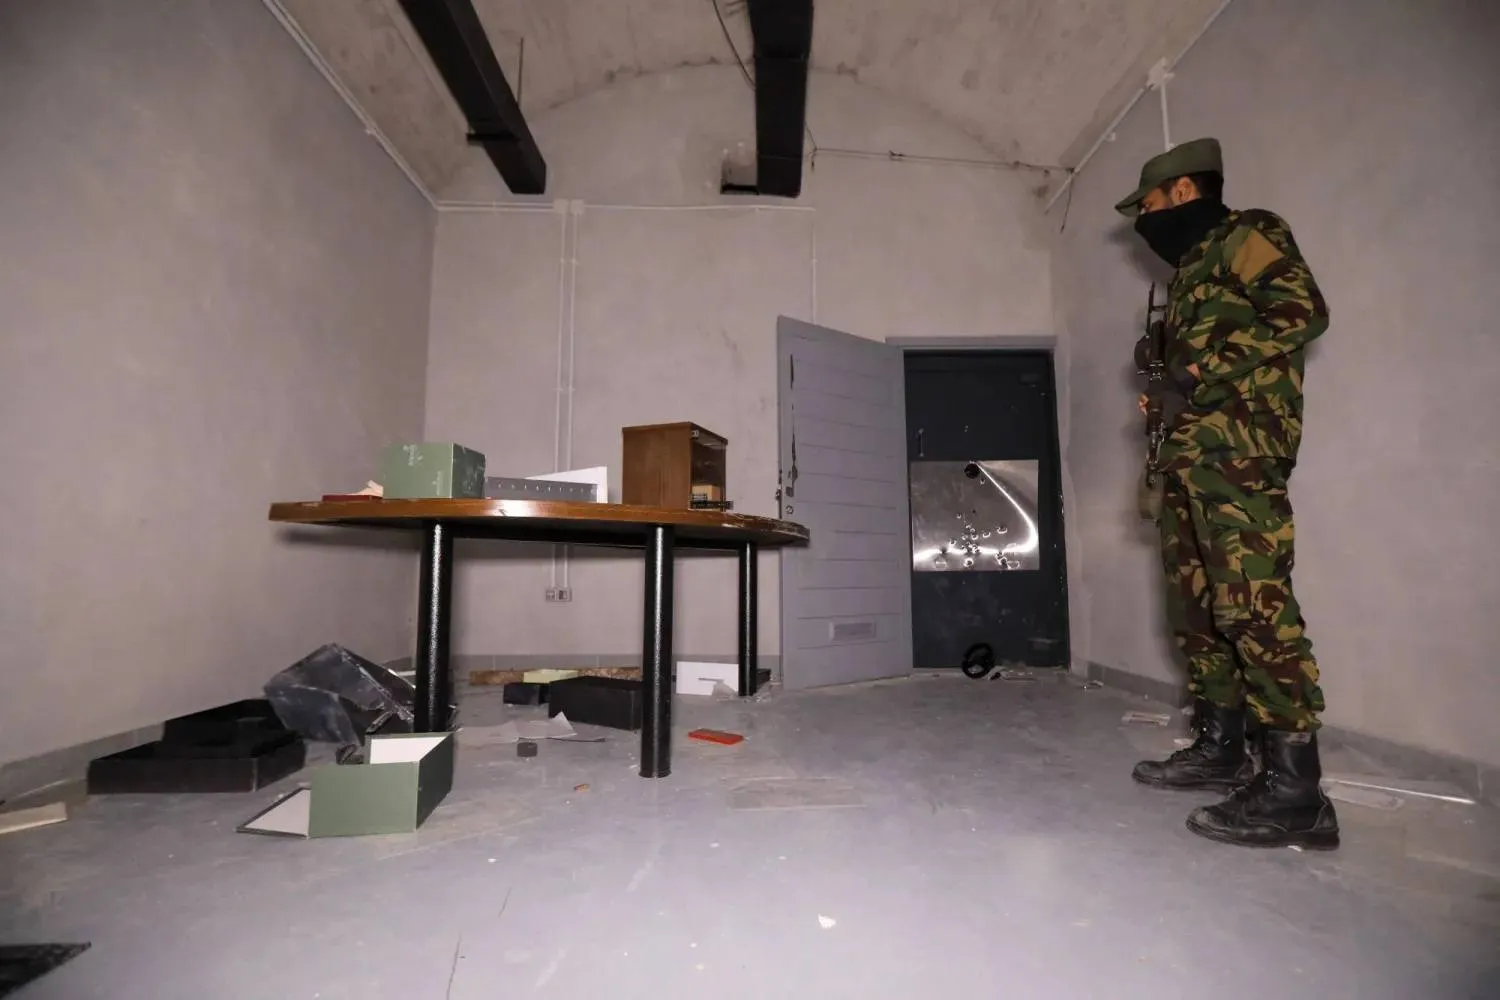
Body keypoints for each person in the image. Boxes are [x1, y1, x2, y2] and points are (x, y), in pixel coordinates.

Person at [1114, 137, 1339, 850]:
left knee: (1253, 606)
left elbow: (1301, 310)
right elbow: (1195, 372)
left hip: (1239, 456)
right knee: (1197, 613)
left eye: (1147, 203)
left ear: (1183, 191)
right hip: (1189, 459)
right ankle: (1222, 749)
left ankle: (1297, 792)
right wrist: (1164, 386)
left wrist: (1195, 371)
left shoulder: (1249, 233)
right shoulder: (1189, 276)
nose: (1144, 219)